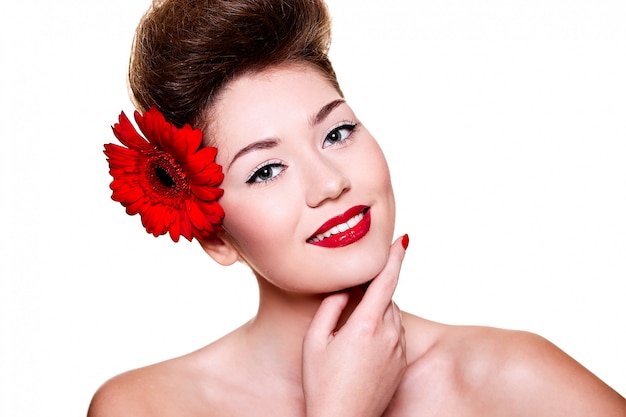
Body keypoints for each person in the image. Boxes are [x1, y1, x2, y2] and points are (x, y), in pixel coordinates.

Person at [88, 0, 626, 416]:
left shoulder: (516, 380)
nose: (330, 183)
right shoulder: (147, 406)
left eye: (337, 132)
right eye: (266, 170)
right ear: (215, 237)